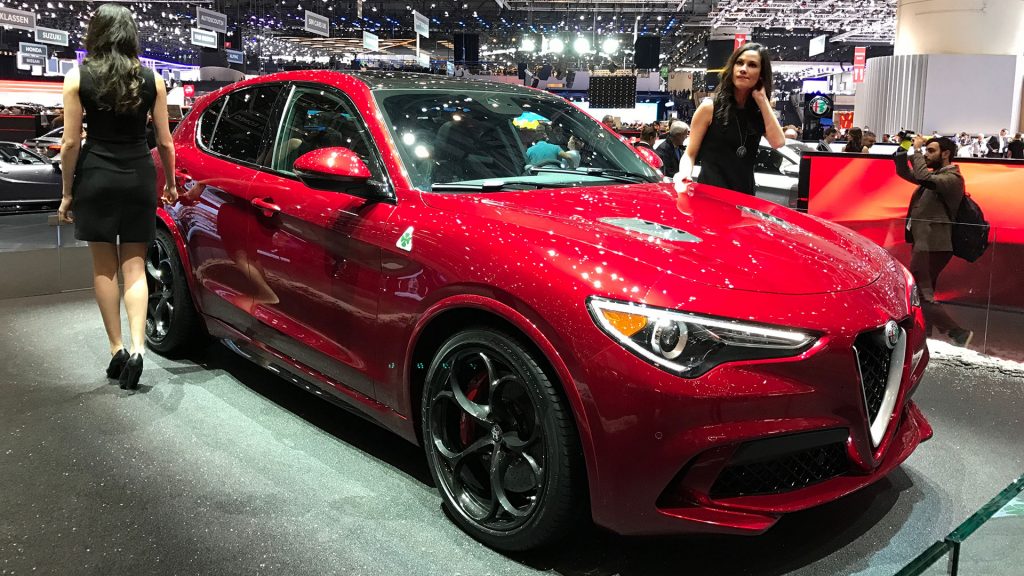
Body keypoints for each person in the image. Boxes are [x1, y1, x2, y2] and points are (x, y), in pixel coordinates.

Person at [56, 4, 177, 390]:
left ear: (96, 34)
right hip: (139, 176)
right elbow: (165, 142)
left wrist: (66, 193)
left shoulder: (77, 77)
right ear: (130, 35)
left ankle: (117, 349)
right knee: (136, 268)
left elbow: (70, 143)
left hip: (96, 177)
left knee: (104, 269)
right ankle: (140, 349)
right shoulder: (153, 79)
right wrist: (171, 184)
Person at [894, 135, 973, 347]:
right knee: (923, 292)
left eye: (931, 151)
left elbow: (922, 176)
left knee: (919, 293)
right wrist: (905, 145)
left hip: (933, 245)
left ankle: (957, 332)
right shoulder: (936, 177)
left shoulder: (952, 178)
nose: (927, 155)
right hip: (926, 242)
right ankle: (925, 334)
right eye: (926, 151)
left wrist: (917, 150)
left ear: (945, 154)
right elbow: (903, 171)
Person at [677, 42, 785, 194]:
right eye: (739, 63)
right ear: (732, 68)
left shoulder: (758, 113)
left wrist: (762, 99)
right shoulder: (709, 108)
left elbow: (778, 142)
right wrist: (684, 174)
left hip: (744, 197)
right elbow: (690, 154)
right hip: (710, 196)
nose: (743, 69)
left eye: (752, 65)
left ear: (761, 75)